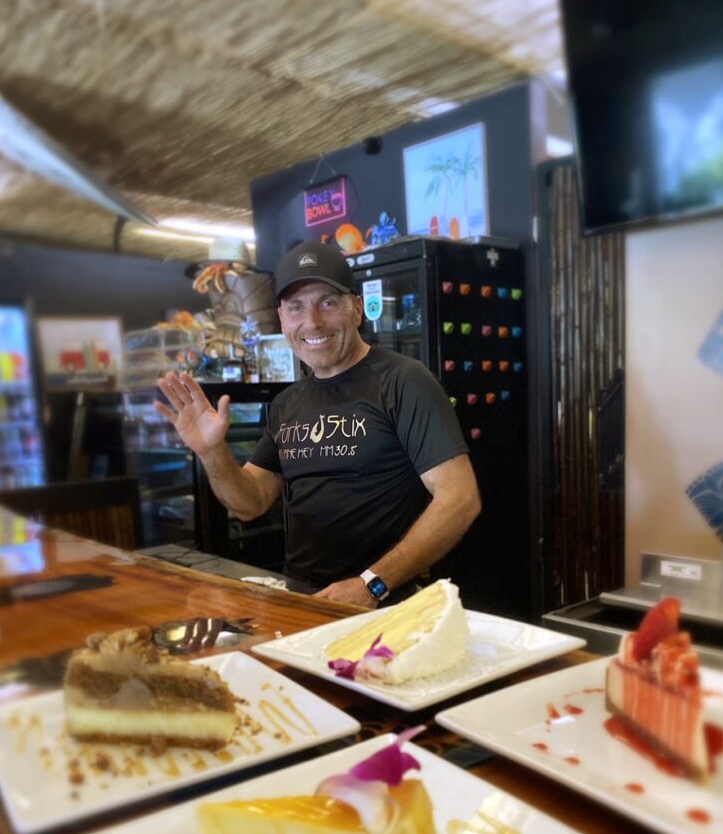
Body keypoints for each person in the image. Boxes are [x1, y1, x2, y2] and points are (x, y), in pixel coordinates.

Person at [156, 240, 481, 607]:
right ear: (282, 318)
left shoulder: (403, 381)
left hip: (390, 604)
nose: (312, 321)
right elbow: (250, 503)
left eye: (327, 302)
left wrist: (372, 584)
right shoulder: (287, 404)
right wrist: (212, 452)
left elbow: (460, 499)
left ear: (356, 308)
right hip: (304, 600)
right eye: (296, 307)